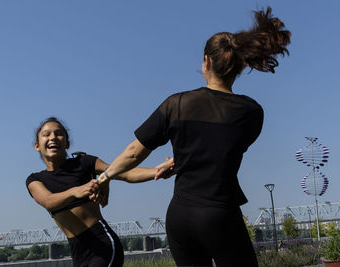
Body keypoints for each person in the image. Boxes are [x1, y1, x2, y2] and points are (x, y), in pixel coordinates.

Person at [95, 7, 291, 267]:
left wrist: (105, 177)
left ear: (206, 62)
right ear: (241, 66)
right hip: (220, 214)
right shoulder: (251, 112)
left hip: (180, 217)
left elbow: (133, 152)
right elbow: (222, 148)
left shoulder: (176, 104)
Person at [25, 117, 174, 267]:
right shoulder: (35, 180)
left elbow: (124, 173)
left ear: (67, 143)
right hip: (78, 253)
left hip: (103, 244)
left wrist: (157, 170)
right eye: (46, 134)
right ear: (37, 146)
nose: (52, 137)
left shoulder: (83, 162)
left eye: (58, 134)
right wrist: (76, 191)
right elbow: (48, 201)